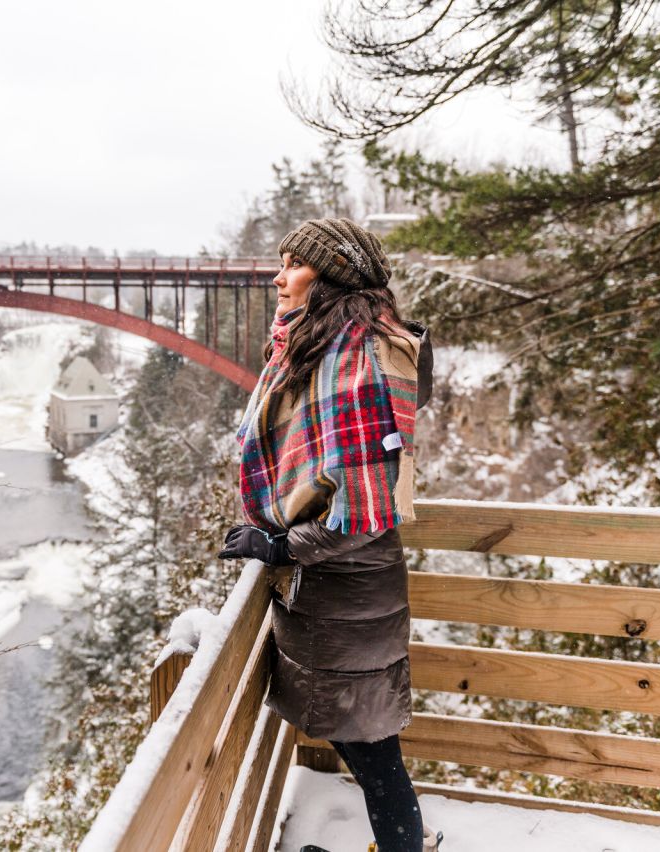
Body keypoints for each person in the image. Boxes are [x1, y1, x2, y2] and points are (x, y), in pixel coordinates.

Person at [218, 219, 438, 852]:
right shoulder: (324, 348)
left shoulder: (359, 360)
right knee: (364, 745)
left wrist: (281, 547)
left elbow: (364, 510)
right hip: (340, 599)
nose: (278, 276)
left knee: (373, 754)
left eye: (293, 263)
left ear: (332, 274)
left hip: (348, 597)